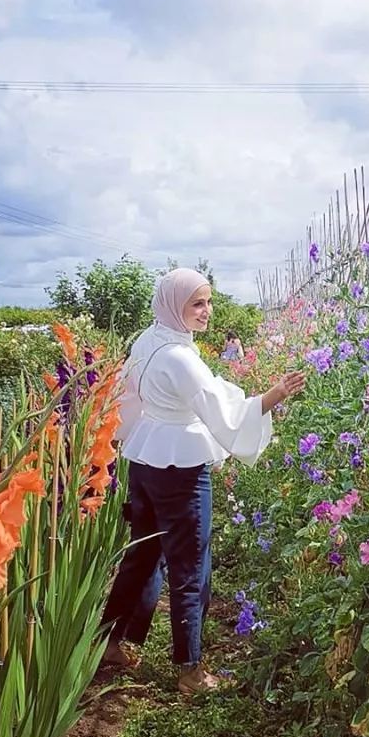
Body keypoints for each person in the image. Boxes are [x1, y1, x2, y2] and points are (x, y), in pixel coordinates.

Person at [101, 268, 306, 693]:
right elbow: (222, 414)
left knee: (143, 555)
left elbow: (134, 397)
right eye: (197, 303)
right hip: (180, 469)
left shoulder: (150, 340)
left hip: (146, 458)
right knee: (191, 566)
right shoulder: (180, 358)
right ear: (175, 305)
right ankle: (191, 671)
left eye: (209, 301)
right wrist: (274, 395)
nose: (207, 311)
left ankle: (111, 641)